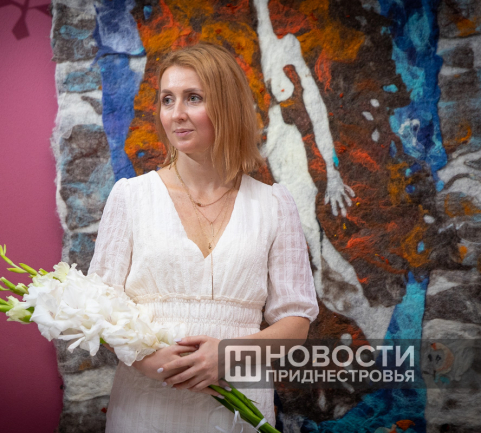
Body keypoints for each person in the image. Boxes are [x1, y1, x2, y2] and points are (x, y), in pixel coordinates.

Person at [88, 42, 319, 433]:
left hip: (240, 408)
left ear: (226, 106)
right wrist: (150, 361)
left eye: (193, 98)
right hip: (146, 408)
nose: (176, 113)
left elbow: (295, 322)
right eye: (167, 99)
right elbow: (99, 307)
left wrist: (229, 355)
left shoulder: (273, 204)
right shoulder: (130, 197)